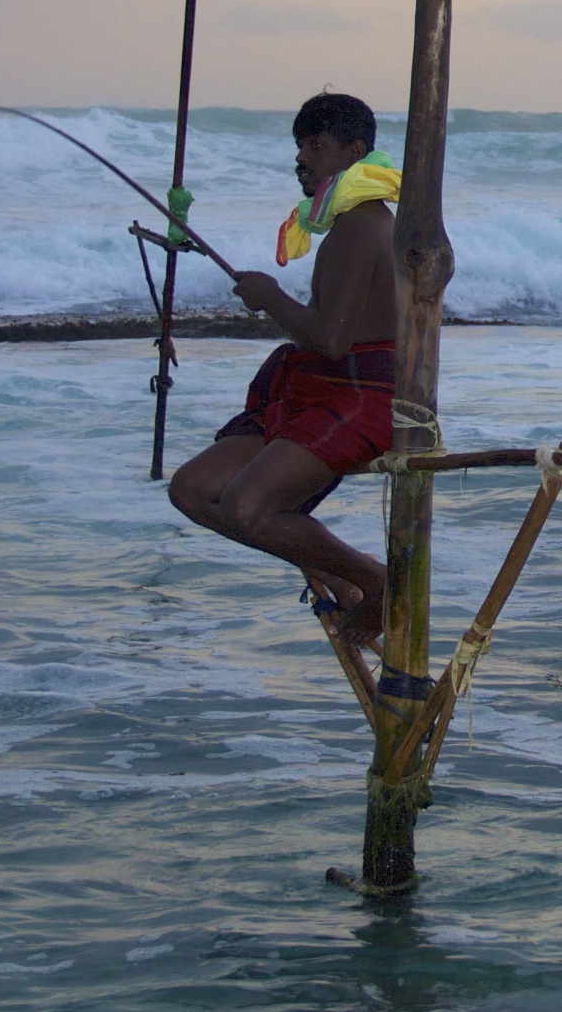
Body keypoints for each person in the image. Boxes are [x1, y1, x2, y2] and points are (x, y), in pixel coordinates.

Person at [169, 93, 407, 646]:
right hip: (313, 390)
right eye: (299, 145)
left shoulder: (359, 227)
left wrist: (270, 296)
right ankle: (337, 574)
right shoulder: (350, 222)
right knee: (191, 490)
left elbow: (329, 338)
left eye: (315, 147)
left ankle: (375, 582)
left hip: (357, 397)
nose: (302, 158)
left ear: (352, 152)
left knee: (246, 508)